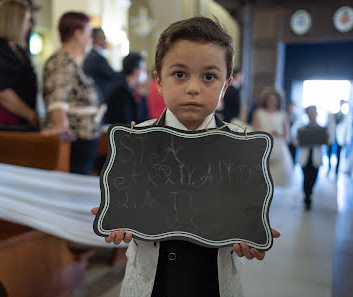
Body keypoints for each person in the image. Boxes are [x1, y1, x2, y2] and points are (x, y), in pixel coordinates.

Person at [92, 16, 280, 297]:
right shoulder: (135, 142)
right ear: (158, 80)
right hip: (152, 281)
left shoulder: (240, 149)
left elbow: (244, 208)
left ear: (225, 85)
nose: (193, 87)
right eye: (180, 74)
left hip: (212, 280)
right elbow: (127, 199)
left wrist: (250, 231)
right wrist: (118, 216)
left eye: (209, 76)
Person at [42, 12, 105, 175]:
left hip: (83, 141)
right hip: (74, 143)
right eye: (88, 33)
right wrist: (61, 126)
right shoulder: (63, 60)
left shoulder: (72, 62)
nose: (91, 39)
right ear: (77, 33)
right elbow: (58, 98)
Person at [0, 0, 39, 130]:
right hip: (1, 120)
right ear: (13, 22)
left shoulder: (19, 49)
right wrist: (31, 116)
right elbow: (2, 92)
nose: (29, 25)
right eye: (26, 20)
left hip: (20, 120)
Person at [252, 87, 294, 187]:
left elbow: (286, 135)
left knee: (277, 179)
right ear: (265, 100)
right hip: (263, 146)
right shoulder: (258, 113)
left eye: (274, 100)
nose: (272, 102)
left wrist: (278, 134)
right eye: (269, 99)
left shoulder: (282, 114)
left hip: (278, 147)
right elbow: (254, 131)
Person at [104, 52, 149, 124]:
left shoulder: (130, 89)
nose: (145, 73)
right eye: (144, 69)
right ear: (136, 71)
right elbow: (126, 122)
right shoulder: (120, 91)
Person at [296, 106, 323, 210]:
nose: (311, 115)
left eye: (313, 112)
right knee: (306, 178)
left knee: (313, 178)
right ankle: (307, 197)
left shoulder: (321, 129)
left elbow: (329, 140)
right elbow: (296, 141)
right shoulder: (302, 129)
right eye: (309, 113)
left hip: (315, 157)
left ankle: (309, 193)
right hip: (305, 158)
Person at [83, 28, 116, 101]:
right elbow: (111, 75)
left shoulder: (95, 55)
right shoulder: (95, 57)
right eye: (104, 38)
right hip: (99, 96)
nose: (106, 41)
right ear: (97, 39)